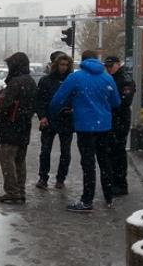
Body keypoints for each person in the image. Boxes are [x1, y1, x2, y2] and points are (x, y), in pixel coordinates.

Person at [50, 50, 120, 212]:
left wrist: (55, 112)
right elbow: (116, 102)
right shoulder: (107, 77)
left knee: (88, 163)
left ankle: (87, 200)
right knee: (104, 161)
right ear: (97, 60)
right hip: (104, 126)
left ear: (82, 61)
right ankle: (109, 196)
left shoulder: (75, 77)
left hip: (85, 127)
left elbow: (58, 99)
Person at [0, 52, 37, 204]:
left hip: (11, 126)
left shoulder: (15, 82)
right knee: (20, 160)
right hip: (24, 126)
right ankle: (20, 190)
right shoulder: (30, 81)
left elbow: (6, 104)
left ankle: (12, 191)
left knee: (7, 160)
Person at [34, 54, 74, 189]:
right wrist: (42, 116)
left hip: (66, 120)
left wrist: (72, 109)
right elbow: (39, 100)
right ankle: (43, 177)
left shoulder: (72, 80)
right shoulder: (46, 81)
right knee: (45, 151)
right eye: (61, 65)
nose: (63, 67)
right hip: (49, 120)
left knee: (65, 152)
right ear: (56, 65)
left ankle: (60, 179)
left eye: (66, 65)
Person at [104, 56, 135, 196]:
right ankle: (114, 182)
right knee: (112, 152)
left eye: (111, 65)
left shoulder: (124, 79)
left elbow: (125, 101)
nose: (109, 68)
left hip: (120, 119)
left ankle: (120, 184)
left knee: (118, 152)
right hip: (113, 119)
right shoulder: (113, 77)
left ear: (118, 64)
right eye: (107, 66)